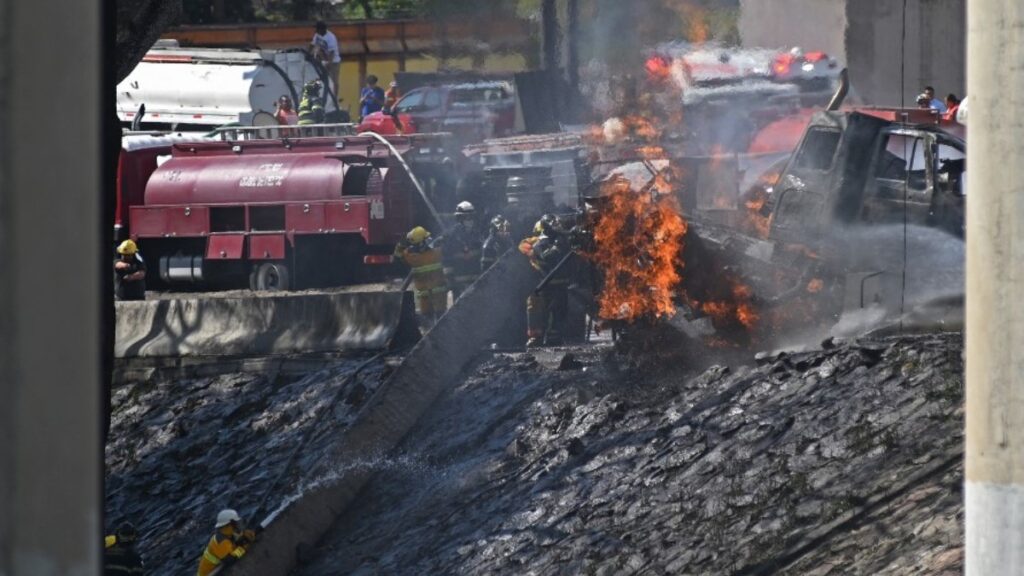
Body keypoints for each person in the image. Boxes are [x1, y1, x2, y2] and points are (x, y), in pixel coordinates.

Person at [519, 214, 572, 347]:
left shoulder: (560, 239)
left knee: (560, 312)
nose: (557, 227)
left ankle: (555, 337)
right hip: (546, 285)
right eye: (554, 224)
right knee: (541, 312)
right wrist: (557, 247)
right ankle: (537, 338)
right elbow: (546, 257)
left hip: (561, 284)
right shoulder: (540, 243)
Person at [394, 226, 448, 330]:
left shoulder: (412, 257)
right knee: (442, 319)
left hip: (424, 296)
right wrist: (444, 239)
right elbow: (446, 249)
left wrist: (401, 244)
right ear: (421, 243)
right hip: (439, 294)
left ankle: (428, 337)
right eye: (426, 239)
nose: (429, 240)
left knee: (426, 320)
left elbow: (398, 255)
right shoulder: (436, 253)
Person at [196, 509, 257, 576]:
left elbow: (231, 545)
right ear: (227, 525)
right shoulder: (221, 542)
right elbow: (230, 560)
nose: (237, 525)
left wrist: (243, 538)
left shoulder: (225, 535)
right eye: (235, 523)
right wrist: (244, 548)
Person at [442, 201, 483, 300]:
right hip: (458, 283)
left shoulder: (477, 234)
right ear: (460, 218)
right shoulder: (451, 236)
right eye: (467, 217)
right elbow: (447, 260)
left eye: (472, 217)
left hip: (476, 281)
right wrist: (450, 281)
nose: (470, 220)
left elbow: (482, 255)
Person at [310, 21, 341, 96]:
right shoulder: (317, 35)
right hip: (323, 59)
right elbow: (312, 44)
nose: (317, 31)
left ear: (322, 30)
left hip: (334, 61)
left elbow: (332, 52)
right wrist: (309, 54)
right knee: (321, 79)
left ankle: (334, 97)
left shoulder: (331, 37)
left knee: (333, 80)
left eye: (318, 30)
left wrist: (329, 63)